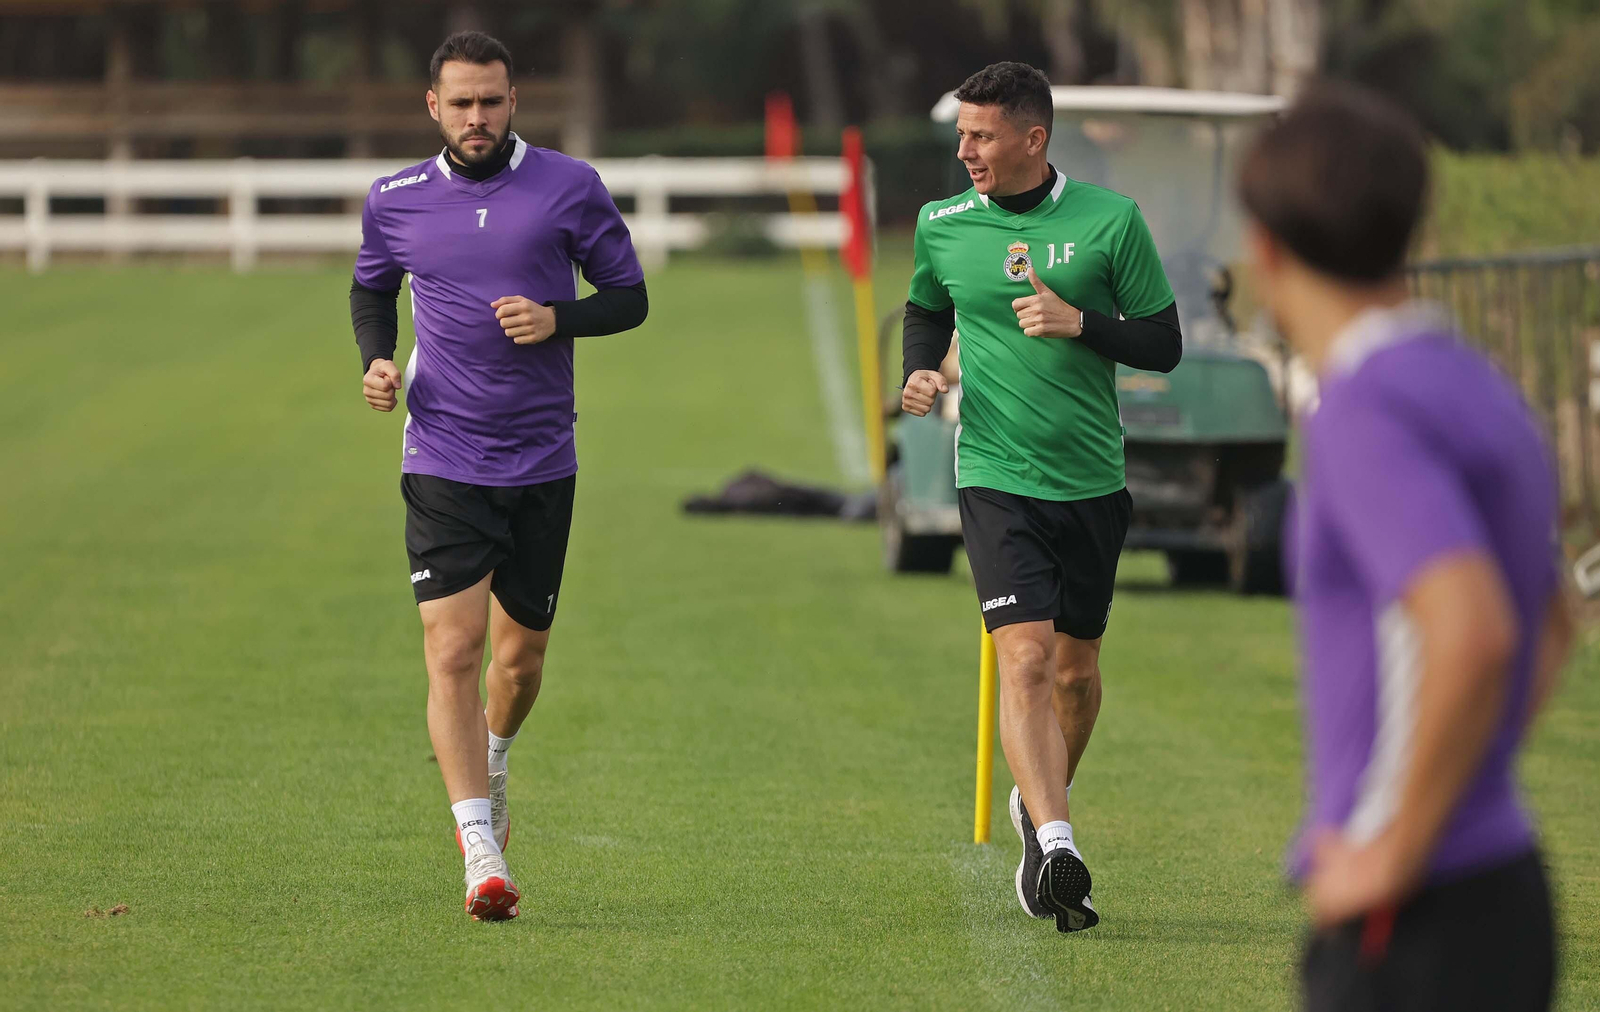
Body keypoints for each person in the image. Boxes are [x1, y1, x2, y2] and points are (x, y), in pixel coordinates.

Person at [1238, 81, 1570, 1011]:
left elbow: (1475, 628)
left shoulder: (1362, 407)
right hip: (1503, 891)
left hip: (1413, 915)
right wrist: (1465, 785)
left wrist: (1397, 847)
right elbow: (1553, 620)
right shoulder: (1477, 382)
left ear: (1267, 249)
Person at [348, 31, 647, 921]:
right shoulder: (394, 198)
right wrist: (377, 360)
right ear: (432, 106)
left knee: (518, 665)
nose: (476, 117)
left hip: (543, 458)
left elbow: (629, 298)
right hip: (442, 454)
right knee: (453, 649)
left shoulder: (570, 186)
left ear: (514, 101)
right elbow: (371, 289)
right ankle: (479, 848)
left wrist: (558, 318)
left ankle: (496, 754)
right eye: (461, 103)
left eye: (490, 101)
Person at [901, 61, 1183, 933]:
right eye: (962, 134)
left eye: (982, 136)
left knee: (1075, 674)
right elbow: (926, 309)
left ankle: (1034, 805)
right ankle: (1058, 843)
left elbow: (1164, 343)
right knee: (1023, 658)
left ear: (1033, 138)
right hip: (994, 474)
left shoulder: (1111, 220)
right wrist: (921, 368)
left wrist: (1081, 324)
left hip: (1093, 482)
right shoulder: (942, 223)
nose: (966, 151)